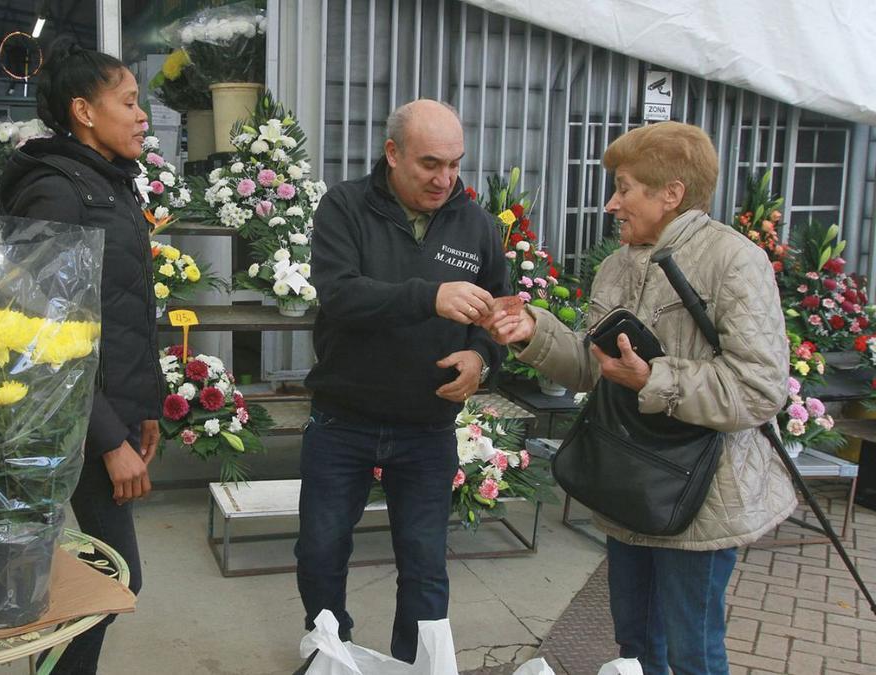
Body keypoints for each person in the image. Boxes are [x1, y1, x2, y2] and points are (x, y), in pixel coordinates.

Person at [489, 121, 796, 675]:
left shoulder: (734, 262)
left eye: (624, 187)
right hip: (629, 485)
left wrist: (654, 380)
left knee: (692, 653)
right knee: (635, 645)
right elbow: (593, 366)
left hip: (701, 500)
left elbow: (760, 388)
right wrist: (532, 332)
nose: (612, 203)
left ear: (671, 193)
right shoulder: (618, 264)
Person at [295, 99, 511, 668]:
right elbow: (339, 295)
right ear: (392, 154)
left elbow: (501, 317)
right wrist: (430, 295)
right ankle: (330, 655)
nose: (445, 179)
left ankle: (413, 663)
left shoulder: (478, 226)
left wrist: (481, 359)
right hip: (344, 418)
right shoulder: (345, 208)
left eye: (455, 164)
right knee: (320, 550)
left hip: (427, 425)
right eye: (430, 164)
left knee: (423, 561)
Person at [0, 39, 157, 675]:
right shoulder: (58, 195)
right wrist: (108, 437)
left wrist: (139, 410)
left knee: (96, 584)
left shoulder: (109, 185)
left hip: (103, 416)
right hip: (67, 423)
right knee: (107, 582)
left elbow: (117, 313)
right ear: (84, 112)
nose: (143, 115)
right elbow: (42, 334)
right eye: (129, 101)